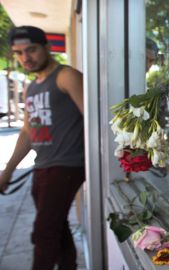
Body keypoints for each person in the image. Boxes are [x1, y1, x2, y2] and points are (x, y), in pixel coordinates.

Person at [0, 26, 84, 270]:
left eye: (31, 50)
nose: (25, 57)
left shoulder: (66, 76)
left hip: (68, 165)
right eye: (18, 53)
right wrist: (8, 171)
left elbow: (95, 120)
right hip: (43, 166)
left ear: (47, 47)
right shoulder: (31, 87)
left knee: (43, 233)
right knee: (58, 229)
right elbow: (27, 132)